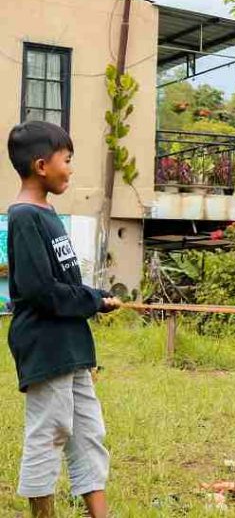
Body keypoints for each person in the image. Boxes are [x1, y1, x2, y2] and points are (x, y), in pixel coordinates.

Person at [6, 121, 122, 518]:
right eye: (67, 160)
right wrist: (93, 300)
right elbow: (40, 290)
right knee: (50, 432)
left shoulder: (48, 213)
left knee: (90, 433)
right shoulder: (24, 216)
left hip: (72, 344)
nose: (71, 169)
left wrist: (94, 302)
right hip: (45, 343)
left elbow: (62, 284)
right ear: (41, 165)